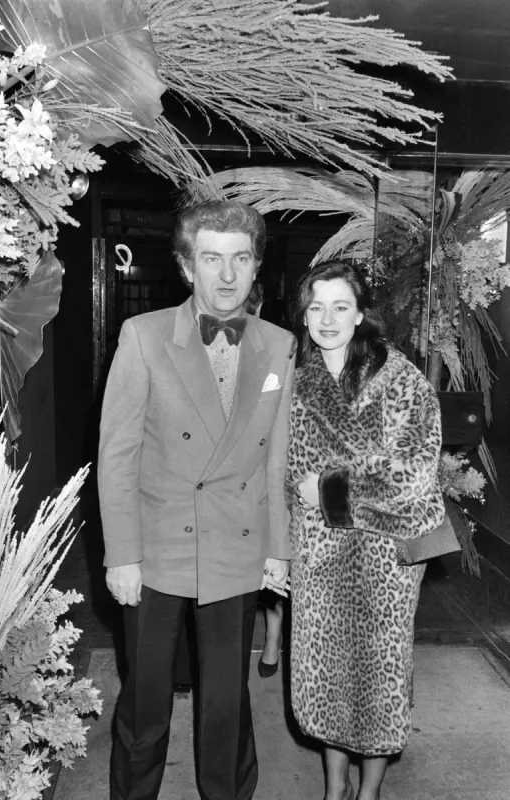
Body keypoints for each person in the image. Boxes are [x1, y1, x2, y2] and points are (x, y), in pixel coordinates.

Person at [98, 200, 295, 800]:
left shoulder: (280, 344)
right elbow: (117, 455)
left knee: (226, 705)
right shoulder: (144, 336)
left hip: (236, 548)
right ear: (188, 267)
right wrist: (121, 555)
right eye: (212, 259)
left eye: (240, 259)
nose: (227, 276)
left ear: (256, 265)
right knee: (147, 701)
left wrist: (277, 551)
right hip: (157, 551)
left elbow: (276, 460)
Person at [286, 260, 445, 800]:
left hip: (384, 560)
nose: (327, 319)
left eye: (340, 307)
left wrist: (330, 490)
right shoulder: (297, 381)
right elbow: (281, 471)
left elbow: (415, 474)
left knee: (378, 680)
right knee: (327, 675)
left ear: (360, 316)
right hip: (319, 556)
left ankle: (370, 791)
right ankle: (335, 788)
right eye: (316, 307)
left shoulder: (401, 379)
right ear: (304, 315)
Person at [245, 281, 285, 678]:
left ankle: (272, 638)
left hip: (273, 474)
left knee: (273, 566)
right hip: (231, 483)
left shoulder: (279, 349)